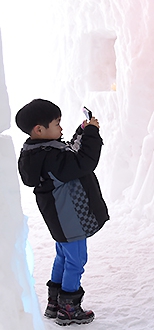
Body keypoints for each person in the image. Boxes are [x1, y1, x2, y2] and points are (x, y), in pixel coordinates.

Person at [16, 99, 109, 325]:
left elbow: (70, 153)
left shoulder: (39, 152)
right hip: (70, 218)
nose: (61, 128)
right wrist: (92, 134)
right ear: (40, 129)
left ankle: (54, 302)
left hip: (60, 219)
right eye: (57, 123)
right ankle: (69, 308)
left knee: (63, 256)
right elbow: (83, 161)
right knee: (76, 260)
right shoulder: (50, 157)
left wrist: (82, 131)